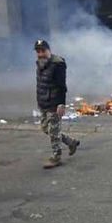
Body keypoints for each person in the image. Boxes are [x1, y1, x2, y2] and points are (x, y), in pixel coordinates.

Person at [34, 39, 80, 169]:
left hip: (54, 103)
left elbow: (61, 86)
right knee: (45, 129)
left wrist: (61, 104)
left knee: (53, 132)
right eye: (38, 51)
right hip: (43, 102)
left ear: (49, 50)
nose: (41, 54)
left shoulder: (57, 64)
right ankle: (71, 142)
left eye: (43, 51)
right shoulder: (40, 63)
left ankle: (56, 157)